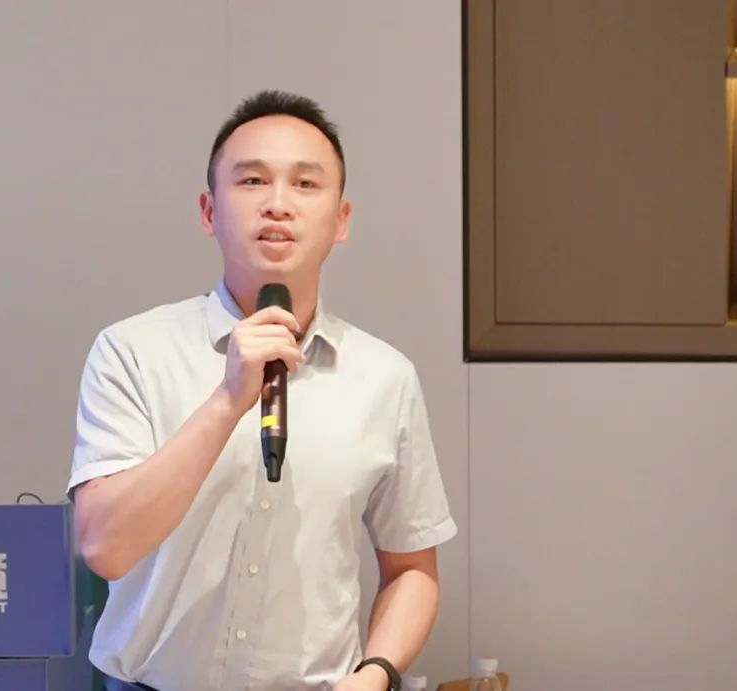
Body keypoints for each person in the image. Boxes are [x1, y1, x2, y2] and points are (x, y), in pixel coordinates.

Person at [68, 90, 456, 691]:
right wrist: (228, 401)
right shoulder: (133, 352)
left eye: (305, 184)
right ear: (208, 211)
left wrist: (376, 674)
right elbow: (104, 546)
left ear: (341, 220)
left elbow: (412, 568)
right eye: (252, 180)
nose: (278, 203)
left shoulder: (385, 377)